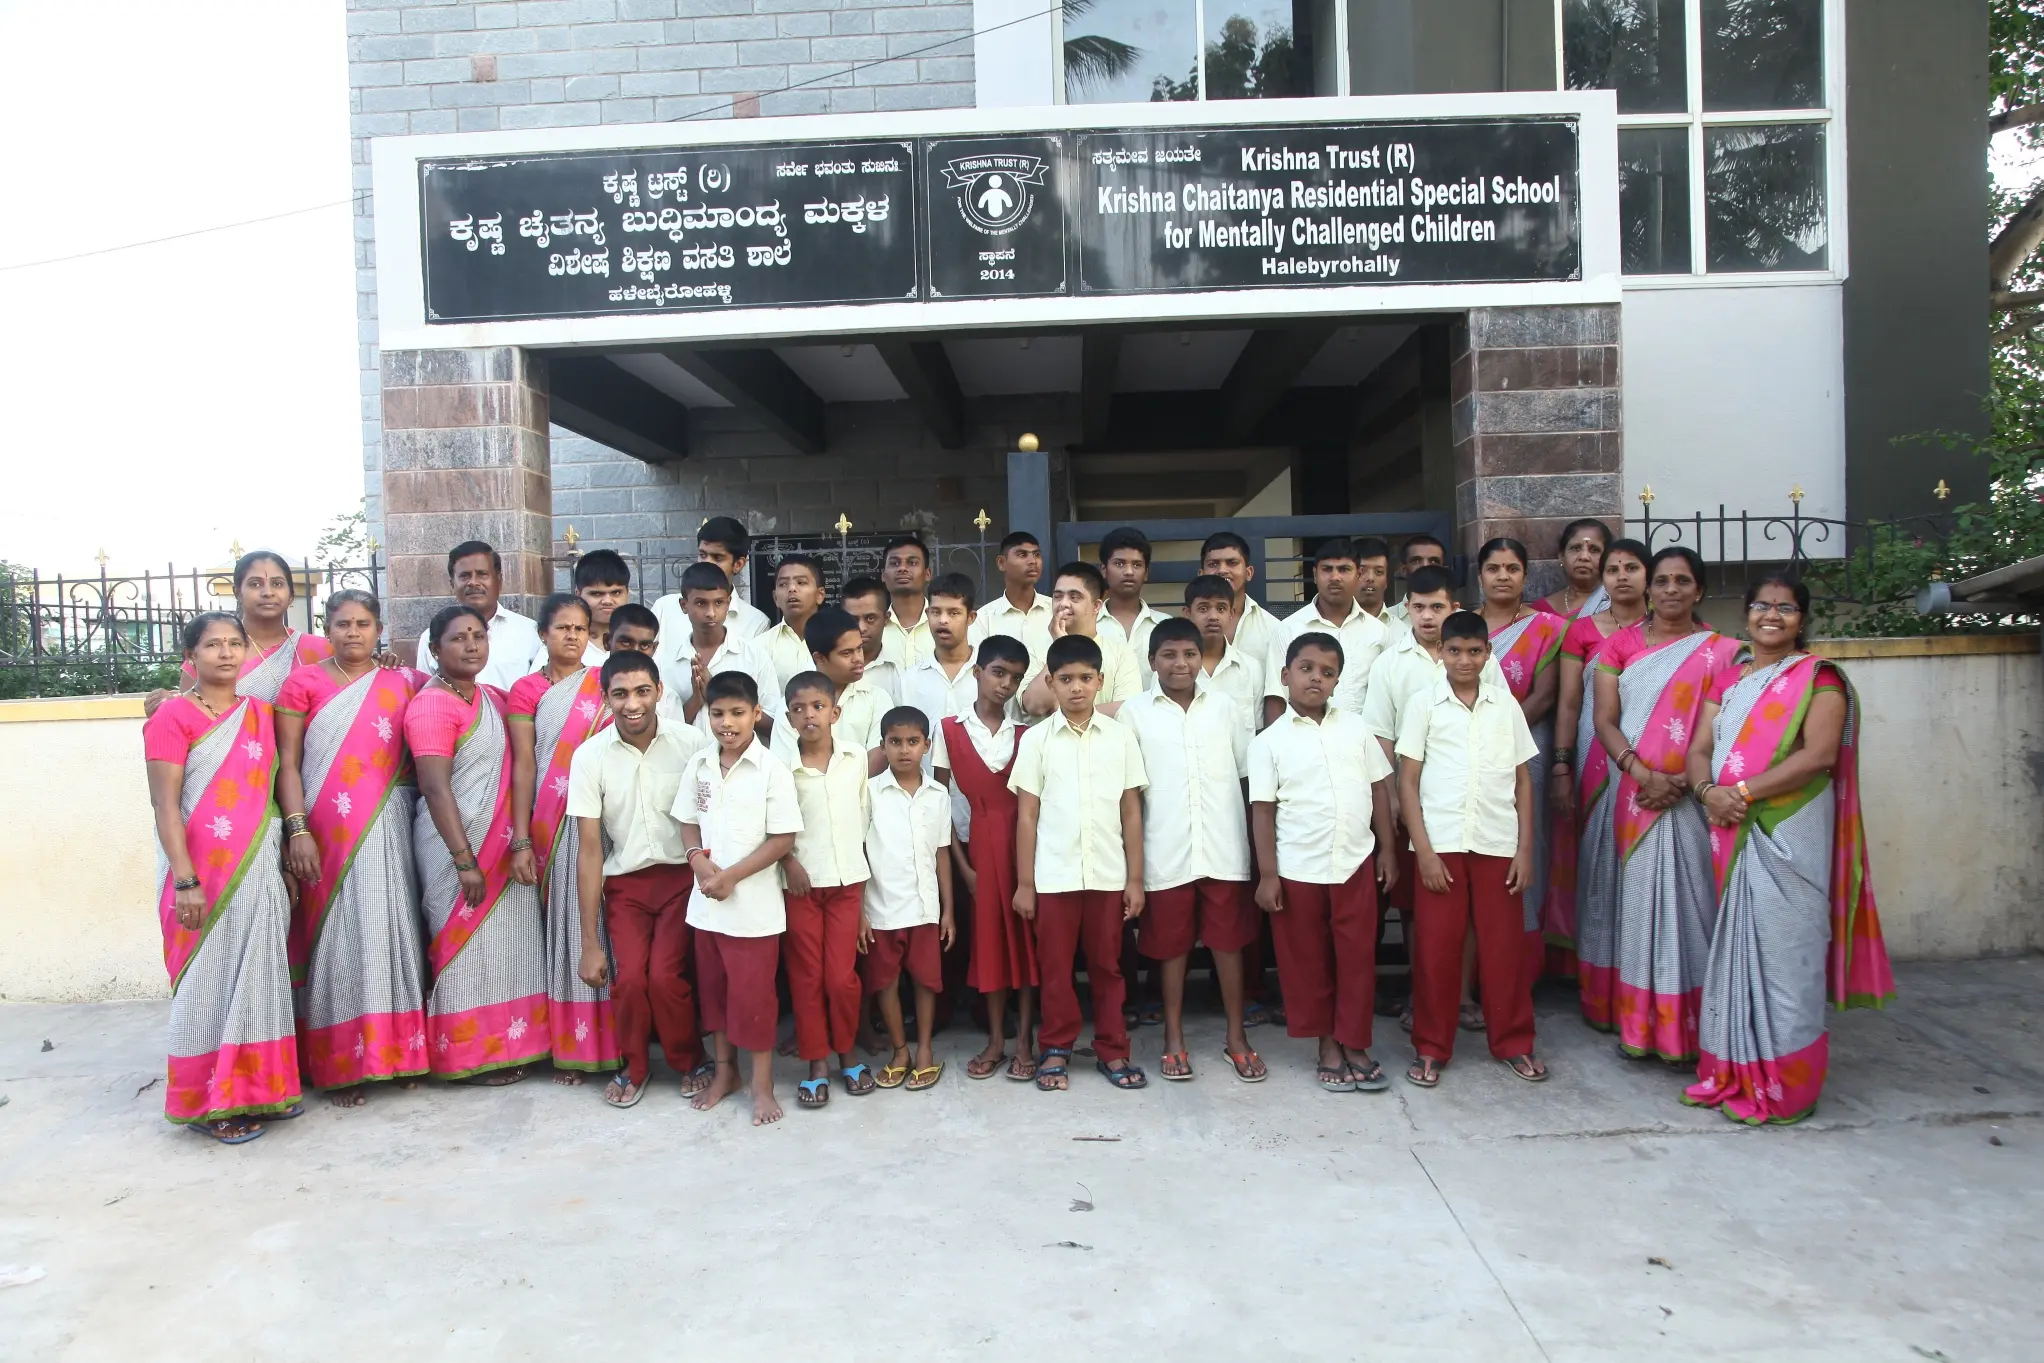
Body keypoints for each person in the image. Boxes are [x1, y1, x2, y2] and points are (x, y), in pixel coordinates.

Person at [1682, 575, 1895, 1124]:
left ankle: (1787, 1085)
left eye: (1785, 608)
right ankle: (1732, 1070)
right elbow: (1698, 748)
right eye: (1761, 606)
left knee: (1785, 955)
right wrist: (1708, 792)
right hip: (1727, 821)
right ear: (1747, 614)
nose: (1771, 615)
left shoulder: (1819, 679)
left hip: (1786, 828)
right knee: (1734, 951)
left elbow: (1819, 755)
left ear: (1802, 618)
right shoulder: (1729, 682)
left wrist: (1743, 793)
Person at [144, 612, 303, 1143]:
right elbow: (165, 807)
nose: (228, 653)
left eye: (235, 643)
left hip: (258, 868)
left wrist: (284, 859)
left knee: (260, 977)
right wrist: (185, 880)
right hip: (202, 875)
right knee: (208, 985)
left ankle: (262, 1089)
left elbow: (276, 792)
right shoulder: (172, 717)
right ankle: (208, 1103)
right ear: (191, 655)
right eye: (213, 645)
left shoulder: (258, 712)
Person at [1585, 546, 1741, 1060]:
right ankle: (1643, 1029)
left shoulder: (1724, 651)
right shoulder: (1619, 647)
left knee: (1695, 906)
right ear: (1648, 589)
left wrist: (1681, 778)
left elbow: (1727, 727)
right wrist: (1640, 771)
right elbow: (1606, 721)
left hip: (1697, 794)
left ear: (1699, 589)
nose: (1671, 589)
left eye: (1683, 581)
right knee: (1641, 907)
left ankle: (1694, 1031)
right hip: (1636, 794)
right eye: (1663, 581)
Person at [274, 590, 429, 1106]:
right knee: (338, 941)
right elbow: (288, 764)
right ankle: (342, 1066)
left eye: (364, 624)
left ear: (380, 628)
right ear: (327, 627)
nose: (354, 633)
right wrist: (297, 829)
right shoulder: (303, 684)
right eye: (342, 624)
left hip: (388, 826)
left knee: (393, 930)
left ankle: (397, 1056)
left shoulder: (402, 680)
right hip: (326, 831)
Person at [1397, 611, 1545, 1087]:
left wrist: (1525, 851)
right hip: (1441, 845)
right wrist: (1423, 852)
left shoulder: (1506, 707)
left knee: (1504, 951)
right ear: (1440, 652)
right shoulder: (1424, 704)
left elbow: (1523, 781)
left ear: (1488, 654)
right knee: (1436, 952)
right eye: (1454, 650)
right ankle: (1431, 1047)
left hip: (1497, 844)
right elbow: (1408, 781)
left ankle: (1514, 1042)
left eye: (1474, 651)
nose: (1464, 659)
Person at [404, 604, 551, 1084]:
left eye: (478, 636)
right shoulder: (431, 704)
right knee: (462, 947)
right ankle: (467, 1054)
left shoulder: (491, 696)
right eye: (457, 638)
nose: (470, 645)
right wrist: (464, 859)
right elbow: (434, 786)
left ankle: (513, 1044)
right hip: (456, 848)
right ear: (433, 650)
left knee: (507, 945)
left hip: (504, 845)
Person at [1249, 633, 1399, 1093]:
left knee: (1356, 959)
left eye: (1327, 672)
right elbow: (1263, 810)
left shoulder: (1355, 729)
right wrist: (1269, 875)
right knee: (1307, 963)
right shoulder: (1268, 742)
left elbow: (1378, 790)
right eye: (1307, 668)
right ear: (1285, 676)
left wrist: (1388, 850)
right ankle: (1327, 1044)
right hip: (1297, 870)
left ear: (1337, 681)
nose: (1316, 678)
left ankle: (1355, 1042)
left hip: (1354, 862)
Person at [566, 650, 715, 1109]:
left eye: (643, 692)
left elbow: (714, 816)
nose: (633, 704)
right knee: (630, 979)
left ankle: (690, 1060)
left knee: (665, 978)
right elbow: (590, 850)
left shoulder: (691, 744)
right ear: (604, 697)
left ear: (659, 692)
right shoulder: (590, 757)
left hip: (681, 880)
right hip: (626, 886)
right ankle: (635, 1065)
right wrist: (589, 943)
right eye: (621, 694)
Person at [1122, 618, 1260, 1082]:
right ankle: (1173, 1036)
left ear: (1202, 658)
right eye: (1169, 655)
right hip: (1166, 848)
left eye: (1189, 655)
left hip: (1222, 847)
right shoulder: (1135, 714)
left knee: (1228, 944)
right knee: (1171, 947)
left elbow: (1246, 775)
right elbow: (1129, 791)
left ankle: (1236, 1037)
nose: (1180, 664)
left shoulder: (1224, 707)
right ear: (1151, 661)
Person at [1010, 635, 1150, 1092]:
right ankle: (1056, 1046)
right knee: (1055, 967)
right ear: (1049, 683)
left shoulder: (1121, 736)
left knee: (1108, 966)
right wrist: (1025, 883)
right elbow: (1027, 813)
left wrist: (1134, 878)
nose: (1076, 688)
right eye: (1065, 679)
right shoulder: (1035, 740)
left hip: (1108, 874)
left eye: (1086, 679)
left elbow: (1131, 809)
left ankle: (1113, 1048)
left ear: (1100, 682)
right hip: (1053, 877)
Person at [675, 671, 802, 1126]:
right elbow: (687, 820)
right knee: (715, 996)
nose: (726, 723)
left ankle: (762, 1085)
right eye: (717, 713)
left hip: (753, 911)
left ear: (756, 715)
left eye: (736, 713)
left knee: (754, 1000)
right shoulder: (700, 764)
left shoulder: (772, 769)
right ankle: (725, 1073)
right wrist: (696, 859)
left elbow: (782, 838)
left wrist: (732, 875)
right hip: (706, 907)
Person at [507, 594, 621, 1081]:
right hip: (551, 822)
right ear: (543, 635)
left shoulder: (604, 682)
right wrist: (520, 838)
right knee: (567, 929)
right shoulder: (525, 690)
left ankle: (618, 1044)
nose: (572, 636)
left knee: (608, 930)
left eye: (580, 628)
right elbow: (525, 764)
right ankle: (574, 1048)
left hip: (603, 818)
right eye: (562, 628)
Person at [934, 635, 1037, 1081]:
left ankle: (1027, 1040)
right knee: (992, 948)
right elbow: (937, 805)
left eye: (1014, 678)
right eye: (998, 672)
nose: (1005, 684)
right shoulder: (949, 730)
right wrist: (965, 870)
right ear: (977, 671)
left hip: (1025, 854)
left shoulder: (1028, 735)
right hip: (978, 854)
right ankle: (997, 1039)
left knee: (1029, 948)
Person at [1546, 539, 1649, 979]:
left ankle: (1645, 968)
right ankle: (1598, 974)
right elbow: (1569, 703)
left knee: (1646, 863)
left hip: (1656, 759)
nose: (1621, 576)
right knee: (1598, 862)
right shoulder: (1583, 630)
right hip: (1595, 755)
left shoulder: (1676, 633)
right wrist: (1562, 765)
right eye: (1613, 569)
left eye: (1632, 567)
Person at [779, 670, 876, 1108]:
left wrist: (860, 907)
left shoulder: (855, 758)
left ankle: (847, 1051)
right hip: (800, 885)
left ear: (835, 712)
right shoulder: (781, 767)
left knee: (841, 978)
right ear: (788, 718)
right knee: (807, 976)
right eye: (798, 709)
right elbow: (772, 825)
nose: (809, 715)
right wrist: (787, 861)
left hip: (846, 884)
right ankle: (817, 1062)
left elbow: (861, 821)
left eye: (817, 706)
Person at [1475, 538, 1566, 994]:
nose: (1503, 576)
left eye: (1512, 568)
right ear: (1480, 576)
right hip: (1467, 749)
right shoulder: (1463, 628)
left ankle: (1520, 968)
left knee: (1523, 845)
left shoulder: (1547, 629)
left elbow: (1547, 695)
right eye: (1494, 568)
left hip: (1525, 744)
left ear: (1525, 576)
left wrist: (1500, 733)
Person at [860, 708, 957, 1092]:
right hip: (881, 908)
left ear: (927, 746)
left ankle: (925, 1051)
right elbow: (859, 852)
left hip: (924, 908)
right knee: (885, 982)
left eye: (913, 742)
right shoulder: (868, 793)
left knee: (926, 981)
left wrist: (948, 910)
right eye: (895, 742)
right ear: (883, 746)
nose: (904, 750)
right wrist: (858, 913)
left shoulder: (937, 795)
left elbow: (942, 854)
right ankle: (900, 1050)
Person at [149, 550, 333, 715]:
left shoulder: (322, 650)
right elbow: (189, 719)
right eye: (255, 584)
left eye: (277, 584)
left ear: (291, 594)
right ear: (237, 592)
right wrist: (167, 708)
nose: (268, 592)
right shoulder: (210, 652)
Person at [1261, 537, 1390, 726]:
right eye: (1327, 569)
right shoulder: (1290, 629)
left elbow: (1388, 698)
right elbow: (1276, 698)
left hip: (1364, 743)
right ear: (1314, 575)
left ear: (1359, 574)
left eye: (1344, 569)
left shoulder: (1379, 632)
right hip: (1305, 742)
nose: (1335, 577)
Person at [658, 562, 781, 738]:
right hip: (686, 763)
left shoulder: (753, 656)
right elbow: (663, 730)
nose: (711, 613)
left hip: (741, 763)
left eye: (718, 603)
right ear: (684, 605)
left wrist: (716, 694)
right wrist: (696, 700)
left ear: (728, 602)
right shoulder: (666, 662)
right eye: (701, 603)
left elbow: (774, 726)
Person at [902, 572, 981, 834]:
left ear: (971, 617)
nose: (942, 620)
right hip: (925, 814)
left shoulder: (989, 676)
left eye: (953, 613)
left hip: (980, 813)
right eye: (935, 612)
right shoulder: (910, 680)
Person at [1018, 561, 1140, 718]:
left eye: (1074, 597)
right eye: (1058, 596)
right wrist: (1060, 647)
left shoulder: (1121, 653)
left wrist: (1065, 713)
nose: (1063, 604)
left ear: (1096, 606)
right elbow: (1035, 706)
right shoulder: (1036, 650)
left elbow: (1127, 710)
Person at [417, 541, 541, 691]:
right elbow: (426, 693)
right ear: (452, 584)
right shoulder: (433, 637)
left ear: (499, 580)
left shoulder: (530, 632)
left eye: (482, 574)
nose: (473, 582)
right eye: (464, 576)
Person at [655, 516, 768, 646]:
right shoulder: (664, 609)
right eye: (703, 555)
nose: (707, 563)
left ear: (738, 564)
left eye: (717, 557)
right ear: (684, 605)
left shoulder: (755, 622)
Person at [1184, 574, 1264, 738]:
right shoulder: (1175, 670)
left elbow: (1258, 730)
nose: (1213, 617)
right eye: (1203, 608)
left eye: (1221, 608)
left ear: (1231, 613)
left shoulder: (1250, 669)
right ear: (1187, 613)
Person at [1097, 526, 1172, 687]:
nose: (1129, 572)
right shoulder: (1088, 624)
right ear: (1104, 569)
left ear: (1146, 573)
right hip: (1102, 712)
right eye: (1119, 564)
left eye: (1137, 565)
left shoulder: (1165, 624)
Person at [1199, 531, 1279, 673]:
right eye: (1213, 564)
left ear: (1248, 573)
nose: (1222, 570)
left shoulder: (1273, 629)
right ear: (1201, 574)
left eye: (1232, 563)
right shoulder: (1185, 630)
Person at [970, 530, 1053, 667]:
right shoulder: (984, 619)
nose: (1033, 561)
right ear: (1002, 563)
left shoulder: (1057, 611)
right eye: (1022, 554)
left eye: (1037, 555)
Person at [758, 552, 828, 684]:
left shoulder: (838, 640)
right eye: (783, 584)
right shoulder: (761, 647)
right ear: (775, 598)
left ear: (820, 595)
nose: (792, 589)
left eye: (801, 582)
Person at [841, 575, 905, 705]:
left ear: (886, 618)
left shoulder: (900, 669)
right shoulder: (822, 667)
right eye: (853, 620)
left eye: (870, 618)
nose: (861, 628)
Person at [1537, 519, 1614, 620]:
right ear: (1562, 556)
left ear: (1607, 558)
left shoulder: (1616, 606)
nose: (1584, 557)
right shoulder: (1540, 610)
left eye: (1594, 550)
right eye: (1576, 548)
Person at [878, 534, 936, 670]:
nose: (902, 568)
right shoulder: (872, 629)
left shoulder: (944, 626)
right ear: (883, 575)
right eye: (894, 563)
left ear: (927, 574)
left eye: (912, 563)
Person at [1386, 533, 1448, 626]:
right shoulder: (1385, 621)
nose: (1425, 566)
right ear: (1403, 570)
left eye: (1434, 561)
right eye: (1416, 561)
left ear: (1444, 569)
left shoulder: (1461, 619)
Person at [1351, 536, 1398, 629]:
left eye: (1379, 572)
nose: (1370, 578)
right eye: (1362, 571)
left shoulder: (1402, 631)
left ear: (1387, 580)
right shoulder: (1330, 628)